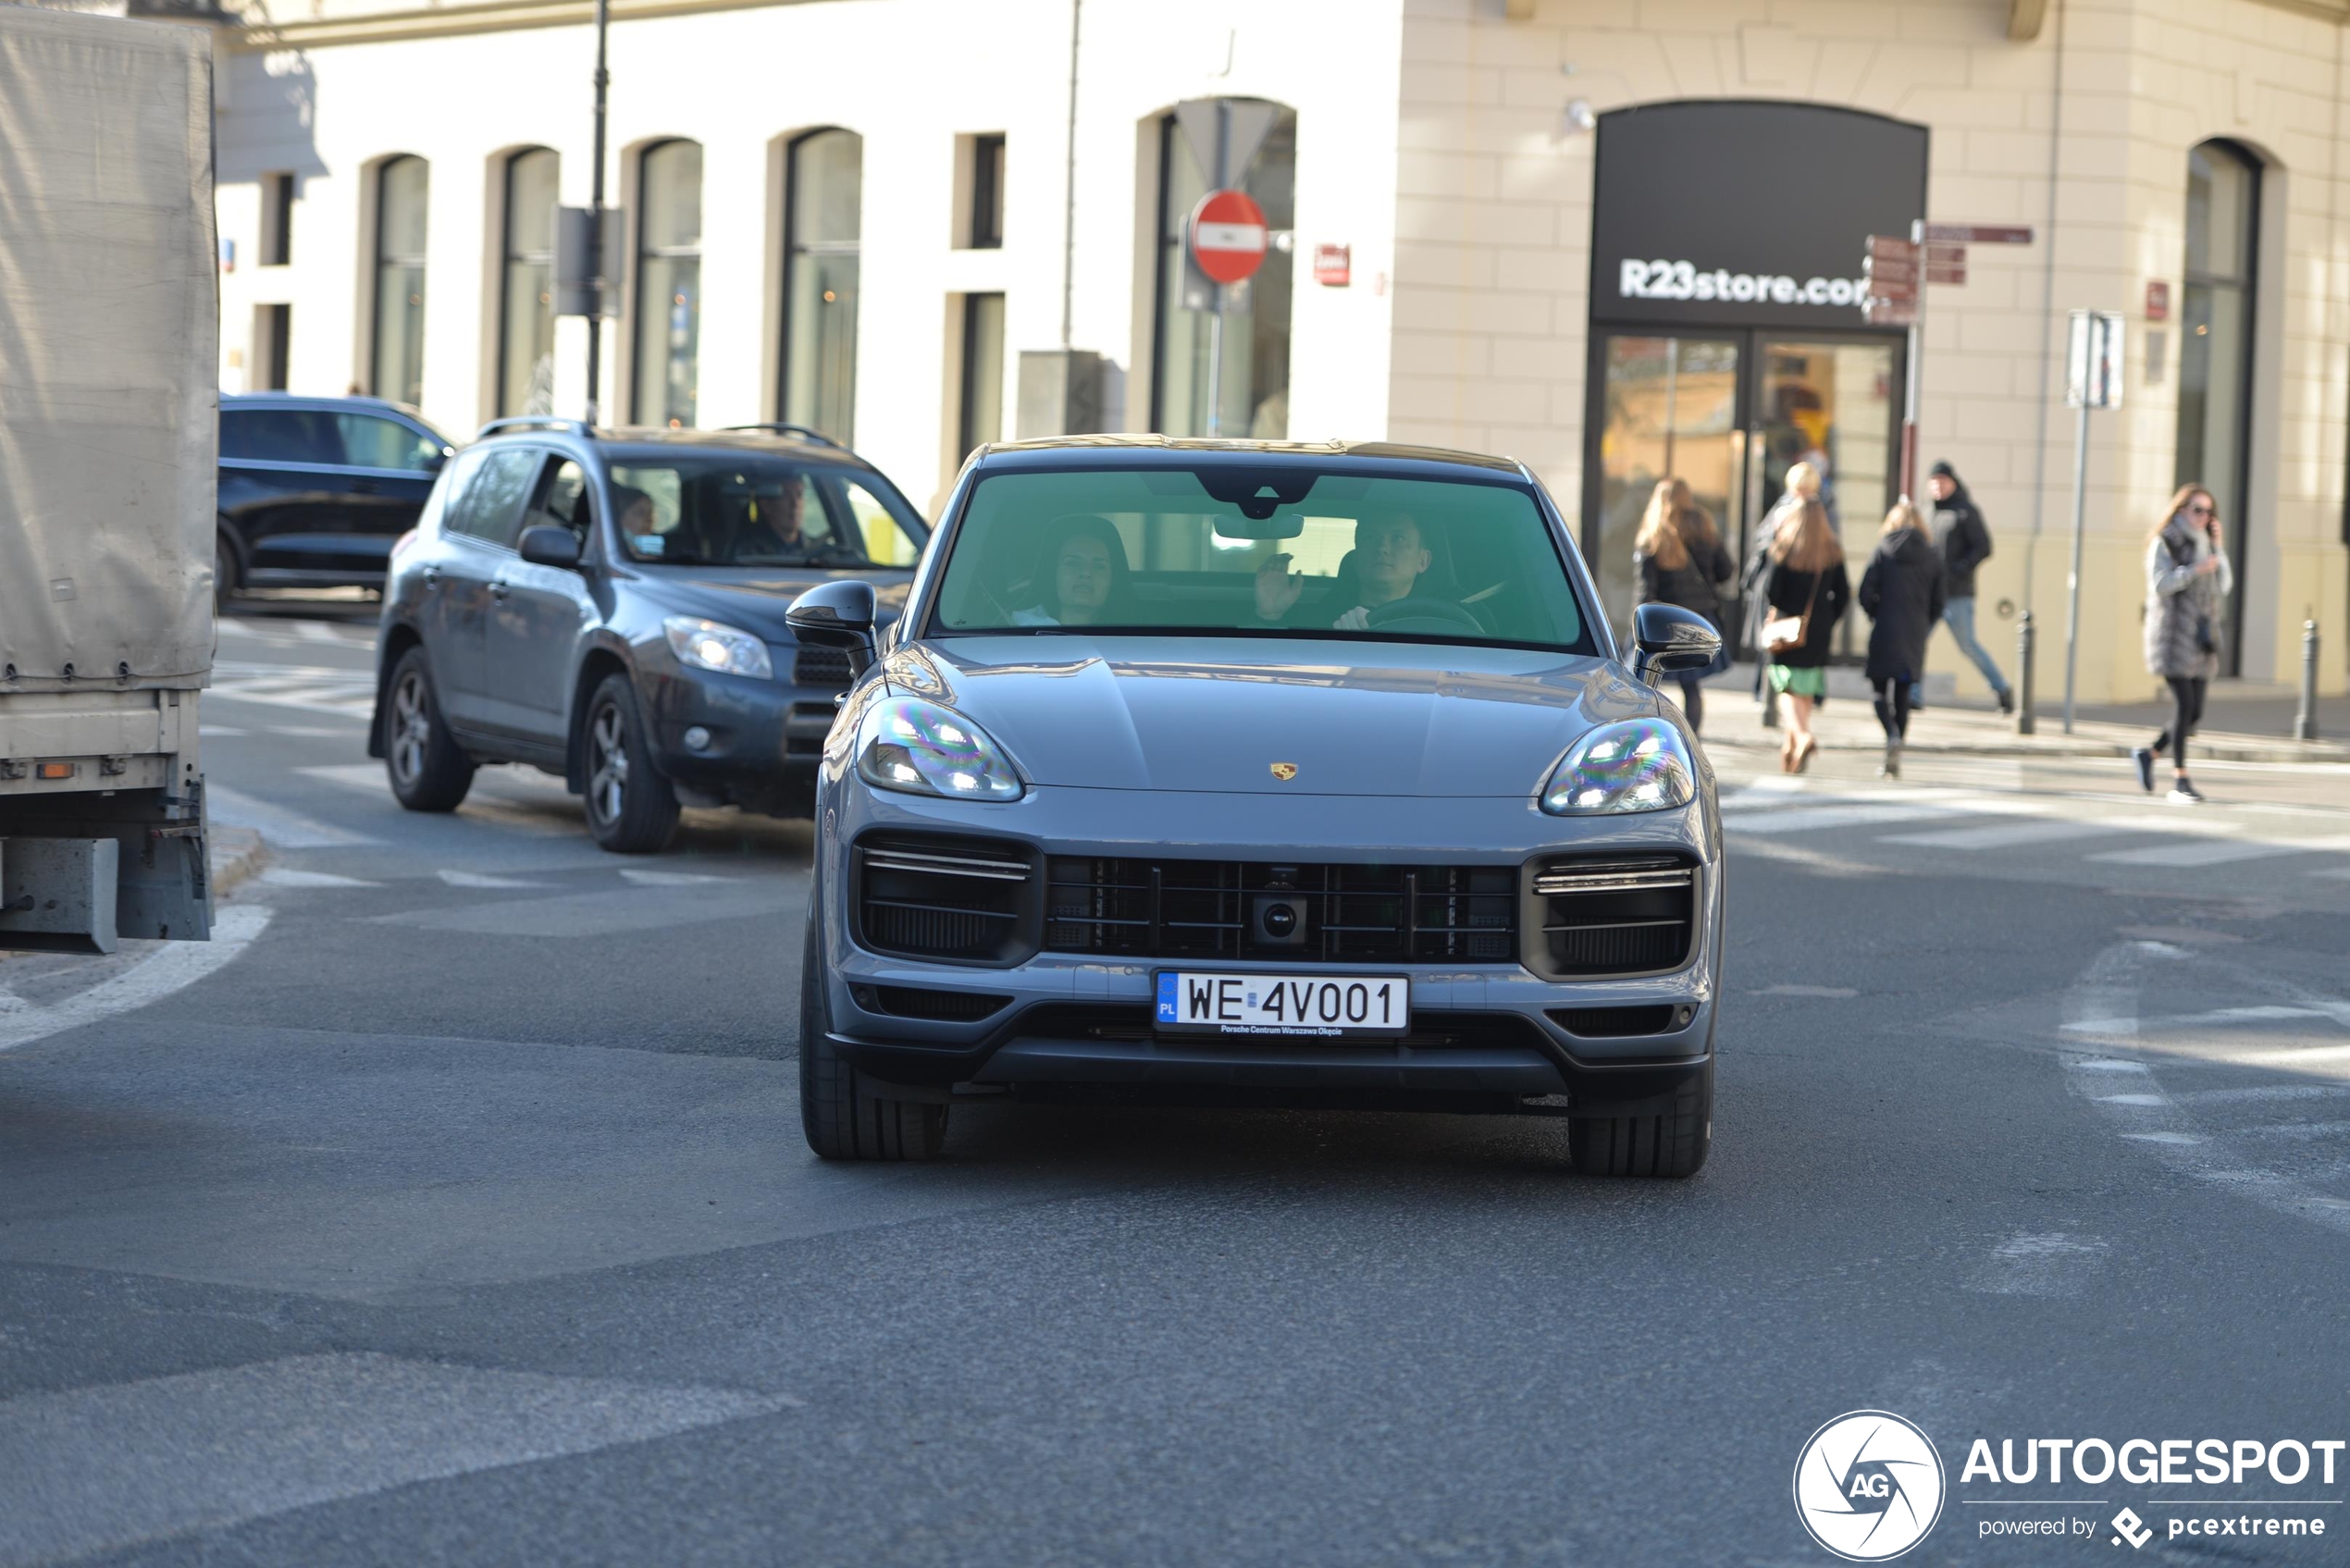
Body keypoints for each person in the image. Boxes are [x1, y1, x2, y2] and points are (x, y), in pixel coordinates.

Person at [2132, 484, 2232, 803]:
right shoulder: (2166, 542)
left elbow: (2225, 585)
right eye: (2197, 510)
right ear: (2181, 510)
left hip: (2200, 639)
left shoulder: (2208, 544)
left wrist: (2218, 548)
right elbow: (2160, 584)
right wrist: (2194, 570)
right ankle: (2180, 780)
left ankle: (2149, 754)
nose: (2203, 517)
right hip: (2173, 635)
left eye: (2208, 512)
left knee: (2195, 713)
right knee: (2184, 705)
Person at [1632, 477, 1736, 733]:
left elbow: (1647, 588)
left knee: (1644, 680)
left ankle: (1645, 730)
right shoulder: (1704, 525)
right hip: (1699, 618)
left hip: (1666, 620)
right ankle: (1692, 736)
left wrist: (1639, 623)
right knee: (1691, 685)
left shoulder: (1655, 532)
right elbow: (1727, 570)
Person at [1915, 461, 2013, 715]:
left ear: (1953, 482)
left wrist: (1961, 568)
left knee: (1967, 644)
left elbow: (1983, 547)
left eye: (1942, 480)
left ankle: (2001, 688)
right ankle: (1912, 693)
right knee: (1916, 641)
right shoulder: (1926, 513)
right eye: (1933, 481)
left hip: (1957, 594)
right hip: (1930, 592)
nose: (1938, 486)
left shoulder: (1965, 511)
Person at [1859, 500, 1947, 780]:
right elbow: (1939, 601)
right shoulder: (1932, 556)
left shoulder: (1883, 549)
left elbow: (1865, 591)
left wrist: (1876, 613)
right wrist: (1924, 623)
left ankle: (1891, 734)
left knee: (1877, 688)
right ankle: (1896, 748)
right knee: (1903, 693)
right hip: (1914, 631)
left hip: (1885, 627)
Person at [1761, 497, 1848, 773]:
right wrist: (1828, 618)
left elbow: (1771, 591)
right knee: (1806, 687)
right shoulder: (1832, 550)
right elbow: (1844, 594)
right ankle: (1791, 747)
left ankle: (1802, 736)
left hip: (1788, 626)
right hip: (1818, 627)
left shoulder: (1784, 547)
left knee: (1785, 687)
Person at [1741, 461, 1823, 725]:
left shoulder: (1822, 509)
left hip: (1808, 590)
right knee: (1773, 644)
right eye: (1799, 488)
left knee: (1798, 652)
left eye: (1806, 489)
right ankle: (1767, 702)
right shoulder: (1781, 507)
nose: (1802, 494)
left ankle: (1796, 717)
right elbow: (1762, 541)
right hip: (1780, 586)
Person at [1255, 511, 1435, 629]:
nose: (1383, 548)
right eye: (1370, 537)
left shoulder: (1441, 623)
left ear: (1423, 561)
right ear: (1356, 559)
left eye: (1398, 538)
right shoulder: (1319, 621)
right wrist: (1270, 615)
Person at [1012, 514, 1132, 627]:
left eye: (1098, 566)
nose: (1085, 573)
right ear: (1055, 573)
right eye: (1072, 563)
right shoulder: (1014, 636)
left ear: (1112, 579)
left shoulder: (1135, 643)